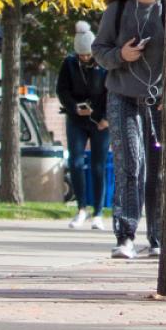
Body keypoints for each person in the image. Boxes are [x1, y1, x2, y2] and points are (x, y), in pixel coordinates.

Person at [93, 0, 166, 260]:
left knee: (159, 169)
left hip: (161, 101)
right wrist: (121, 55)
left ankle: (159, 237)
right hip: (122, 95)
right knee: (130, 164)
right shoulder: (118, 9)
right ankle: (125, 235)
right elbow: (99, 50)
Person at [59, 21, 110, 231]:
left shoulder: (103, 66)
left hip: (100, 121)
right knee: (76, 162)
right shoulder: (69, 64)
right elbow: (62, 90)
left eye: (88, 55)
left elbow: (111, 91)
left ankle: (98, 212)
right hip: (77, 119)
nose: (85, 58)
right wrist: (73, 107)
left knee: (98, 166)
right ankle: (81, 208)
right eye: (81, 55)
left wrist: (105, 117)